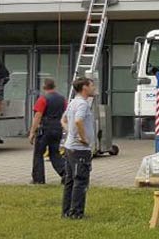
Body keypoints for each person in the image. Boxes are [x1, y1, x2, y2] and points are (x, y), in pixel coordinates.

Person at [61, 77, 96, 219]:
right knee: (80, 181)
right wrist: (83, 138)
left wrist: (71, 132)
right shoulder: (82, 104)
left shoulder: (72, 102)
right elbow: (78, 120)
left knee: (70, 180)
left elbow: (63, 120)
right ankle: (76, 213)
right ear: (84, 88)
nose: (94, 88)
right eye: (92, 85)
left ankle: (66, 211)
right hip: (80, 150)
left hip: (70, 148)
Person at [29, 78, 67, 184]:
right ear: (55, 86)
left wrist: (32, 132)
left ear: (44, 87)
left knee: (38, 154)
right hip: (58, 128)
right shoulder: (62, 99)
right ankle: (66, 173)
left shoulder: (43, 99)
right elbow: (66, 113)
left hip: (45, 129)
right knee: (55, 153)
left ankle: (38, 179)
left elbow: (38, 115)